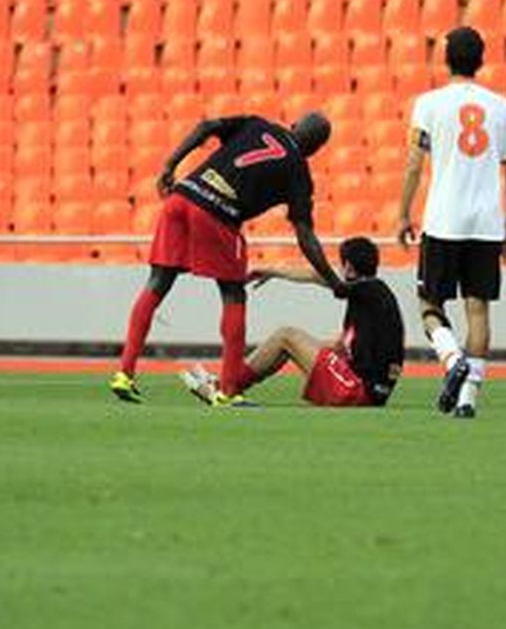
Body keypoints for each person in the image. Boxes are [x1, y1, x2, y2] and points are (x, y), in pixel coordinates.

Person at [111, 111, 344, 407]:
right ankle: (229, 391)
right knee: (234, 294)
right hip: (219, 214)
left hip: (183, 196)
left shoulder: (259, 124)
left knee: (157, 283)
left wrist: (170, 164)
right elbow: (305, 235)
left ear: (294, 125)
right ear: (316, 149)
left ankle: (124, 373)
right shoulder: (299, 173)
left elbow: (205, 125)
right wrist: (333, 280)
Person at [397, 26, 506, 419]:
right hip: (485, 223)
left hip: (443, 220)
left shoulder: (429, 104)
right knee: (479, 310)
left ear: (446, 58)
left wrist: (403, 213)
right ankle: (468, 400)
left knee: (429, 302)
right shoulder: (501, 107)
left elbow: (415, 164)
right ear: (481, 60)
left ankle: (453, 361)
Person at [179, 237, 404, 408]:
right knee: (295, 343)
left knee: (286, 335)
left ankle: (225, 388)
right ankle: (226, 385)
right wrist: (301, 349)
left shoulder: (369, 289)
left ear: (348, 267)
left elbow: (320, 276)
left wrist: (273, 271)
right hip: (368, 392)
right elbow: (340, 346)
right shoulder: (373, 298)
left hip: (357, 391)